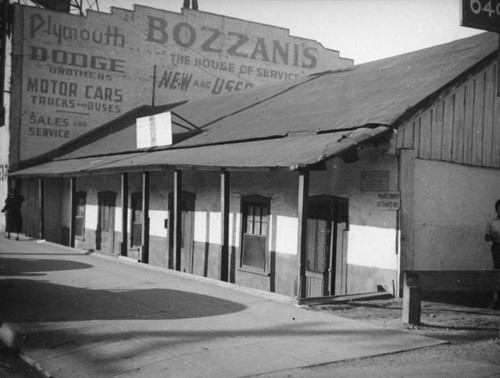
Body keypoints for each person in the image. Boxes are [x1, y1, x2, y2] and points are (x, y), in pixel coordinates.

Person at [484, 199, 500, 308]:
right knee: (497, 271)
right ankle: (495, 300)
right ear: (496, 210)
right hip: (497, 247)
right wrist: (493, 236)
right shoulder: (491, 222)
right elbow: (486, 237)